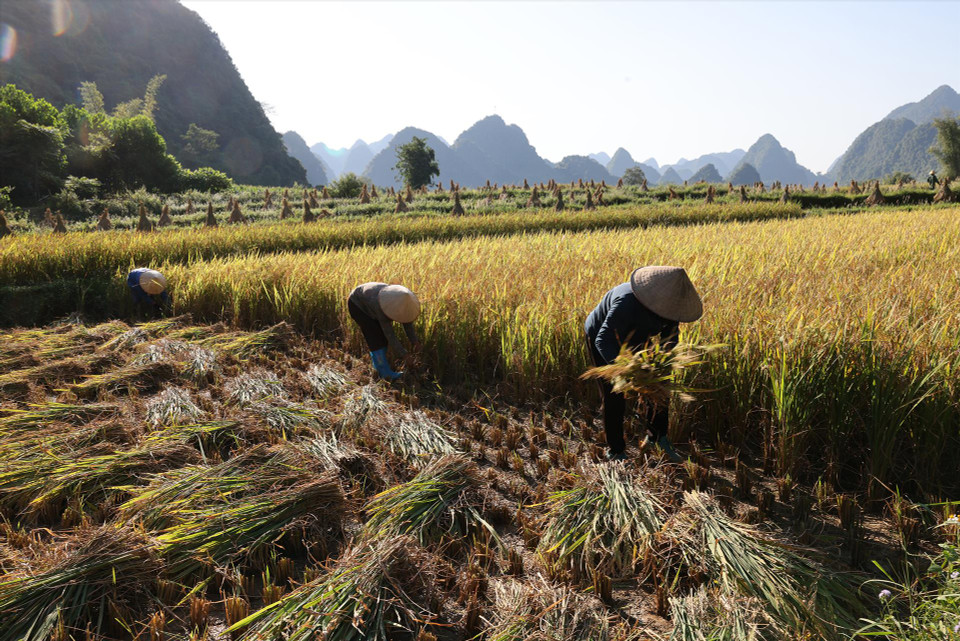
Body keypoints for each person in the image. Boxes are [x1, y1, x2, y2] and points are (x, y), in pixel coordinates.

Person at [584, 266, 702, 462]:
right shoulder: (627, 303)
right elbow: (603, 339)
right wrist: (626, 370)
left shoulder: (670, 309)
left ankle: (657, 438)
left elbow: (670, 338)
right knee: (614, 394)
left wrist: (660, 364)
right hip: (604, 337)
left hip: (637, 336)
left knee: (659, 388)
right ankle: (616, 451)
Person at [348, 282, 422, 380]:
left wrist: (415, 342)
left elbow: (407, 322)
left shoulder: (403, 300)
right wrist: (405, 355)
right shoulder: (381, 305)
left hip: (369, 300)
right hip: (357, 304)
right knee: (376, 339)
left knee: (382, 339)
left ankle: (379, 366)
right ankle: (384, 373)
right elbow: (390, 335)